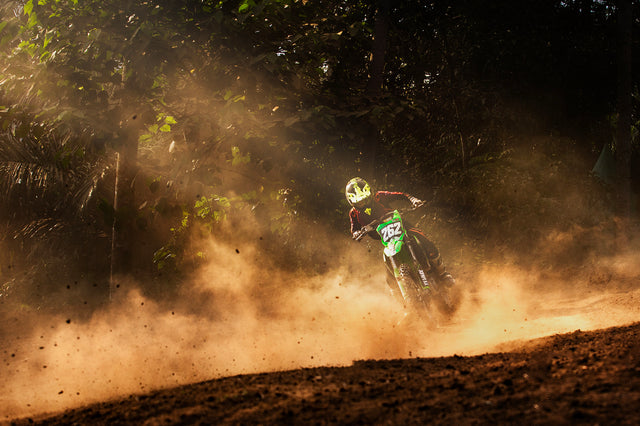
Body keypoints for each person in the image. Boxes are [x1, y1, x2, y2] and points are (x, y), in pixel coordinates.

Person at [345, 177, 454, 299]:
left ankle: (443, 273)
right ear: (352, 202)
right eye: (359, 202)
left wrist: (413, 200)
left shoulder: (379, 196)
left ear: (370, 194)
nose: (363, 203)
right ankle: (401, 298)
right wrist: (356, 233)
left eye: (365, 199)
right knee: (387, 268)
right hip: (385, 238)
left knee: (423, 239)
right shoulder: (353, 213)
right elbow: (354, 229)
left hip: (401, 226)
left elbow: (401, 195)